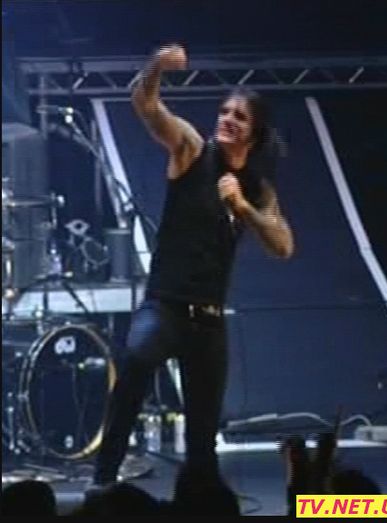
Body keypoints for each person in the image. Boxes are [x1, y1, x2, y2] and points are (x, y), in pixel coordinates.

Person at [90, 43, 294, 489]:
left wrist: (244, 209)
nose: (227, 119)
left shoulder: (257, 188)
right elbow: (145, 105)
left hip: (209, 319)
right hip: (164, 306)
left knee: (203, 432)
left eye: (239, 116)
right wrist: (156, 66)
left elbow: (283, 246)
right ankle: (102, 482)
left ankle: (201, 500)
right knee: (135, 364)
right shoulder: (192, 150)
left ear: (254, 133)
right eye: (224, 111)